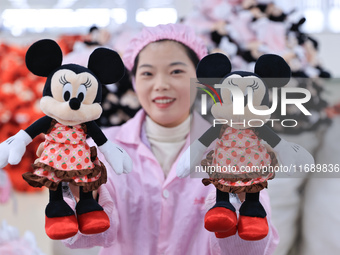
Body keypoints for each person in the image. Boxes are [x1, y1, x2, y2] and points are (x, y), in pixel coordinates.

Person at [60, 23, 279, 255]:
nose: (161, 85)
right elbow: (88, 238)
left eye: (176, 71)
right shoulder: (103, 149)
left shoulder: (232, 148)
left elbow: (253, 249)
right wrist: (79, 193)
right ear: (135, 82)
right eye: (147, 73)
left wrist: (242, 199)